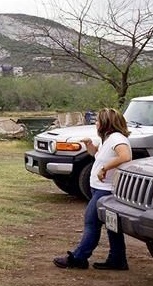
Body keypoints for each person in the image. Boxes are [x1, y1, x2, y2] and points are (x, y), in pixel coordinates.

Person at [53, 108, 132, 270]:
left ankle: (79, 258)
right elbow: (99, 156)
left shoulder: (117, 138)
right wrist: (90, 147)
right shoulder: (108, 139)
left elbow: (125, 156)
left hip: (106, 191)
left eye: (98, 121)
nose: (96, 123)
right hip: (101, 189)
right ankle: (117, 259)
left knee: (91, 223)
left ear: (106, 123)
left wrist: (104, 169)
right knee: (112, 226)